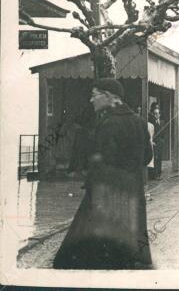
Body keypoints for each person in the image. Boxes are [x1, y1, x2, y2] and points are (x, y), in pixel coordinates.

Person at [53, 78, 153, 269]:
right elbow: (147, 156)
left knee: (78, 253)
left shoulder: (108, 124)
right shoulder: (140, 122)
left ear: (108, 96)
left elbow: (103, 162)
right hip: (133, 190)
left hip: (108, 192)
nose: (91, 100)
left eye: (94, 95)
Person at [148, 104, 163, 180]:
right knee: (155, 159)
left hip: (160, 143)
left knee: (159, 158)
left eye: (158, 114)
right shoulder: (151, 122)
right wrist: (152, 141)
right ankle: (155, 175)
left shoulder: (161, 122)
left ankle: (159, 173)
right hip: (154, 142)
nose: (157, 115)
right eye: (155, 114)